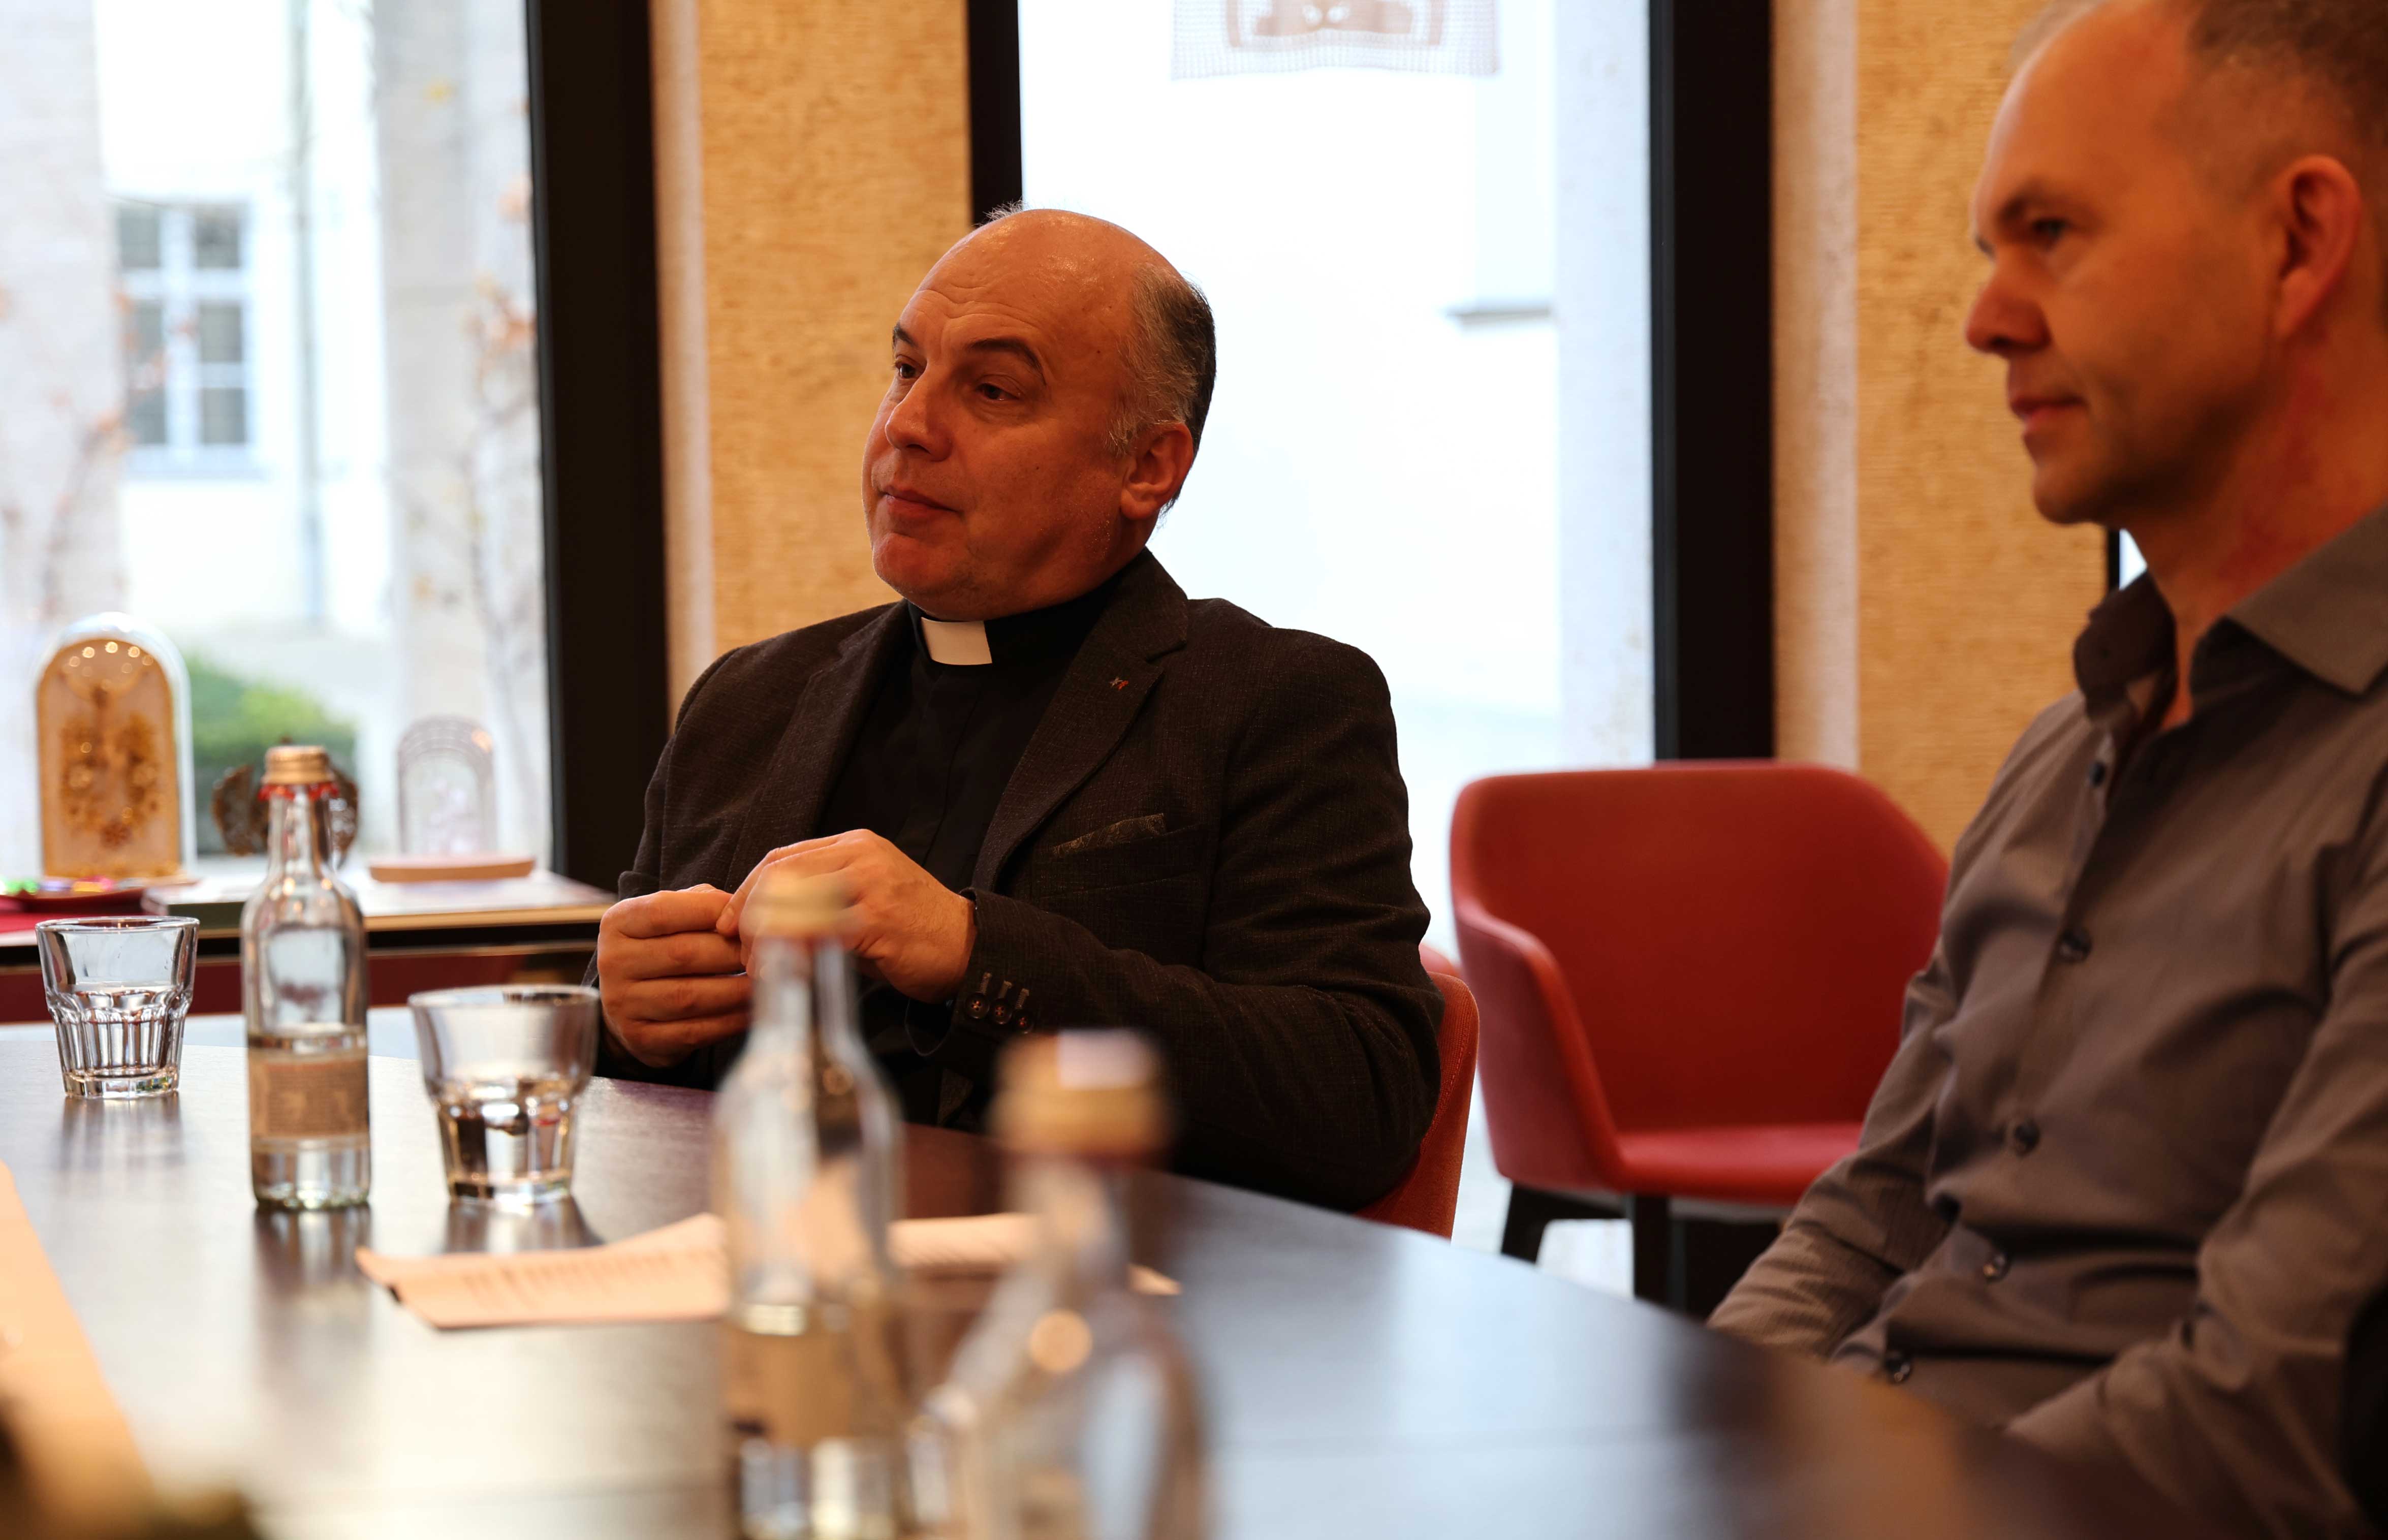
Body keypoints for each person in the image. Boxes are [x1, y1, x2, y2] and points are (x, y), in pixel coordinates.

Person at [1709, 1, 2388, 1533]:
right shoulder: (2064, 750)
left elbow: (2266, 1409)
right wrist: (1679, 1442)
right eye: (1987, 249)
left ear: (2296, 242)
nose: (1984, 319)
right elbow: (1870, 1219)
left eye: (2053, 233)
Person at [591, 208, 1441, 1212]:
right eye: (906, 370)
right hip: (760, 1267)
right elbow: (640, 1094)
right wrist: (626, 1021)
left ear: (1146, 467)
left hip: (1094, 1283)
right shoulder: (749, 698)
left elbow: (1360, 1097)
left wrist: (974, 954)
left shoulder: (1272, 702)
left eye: (992, 390)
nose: (907, 426)